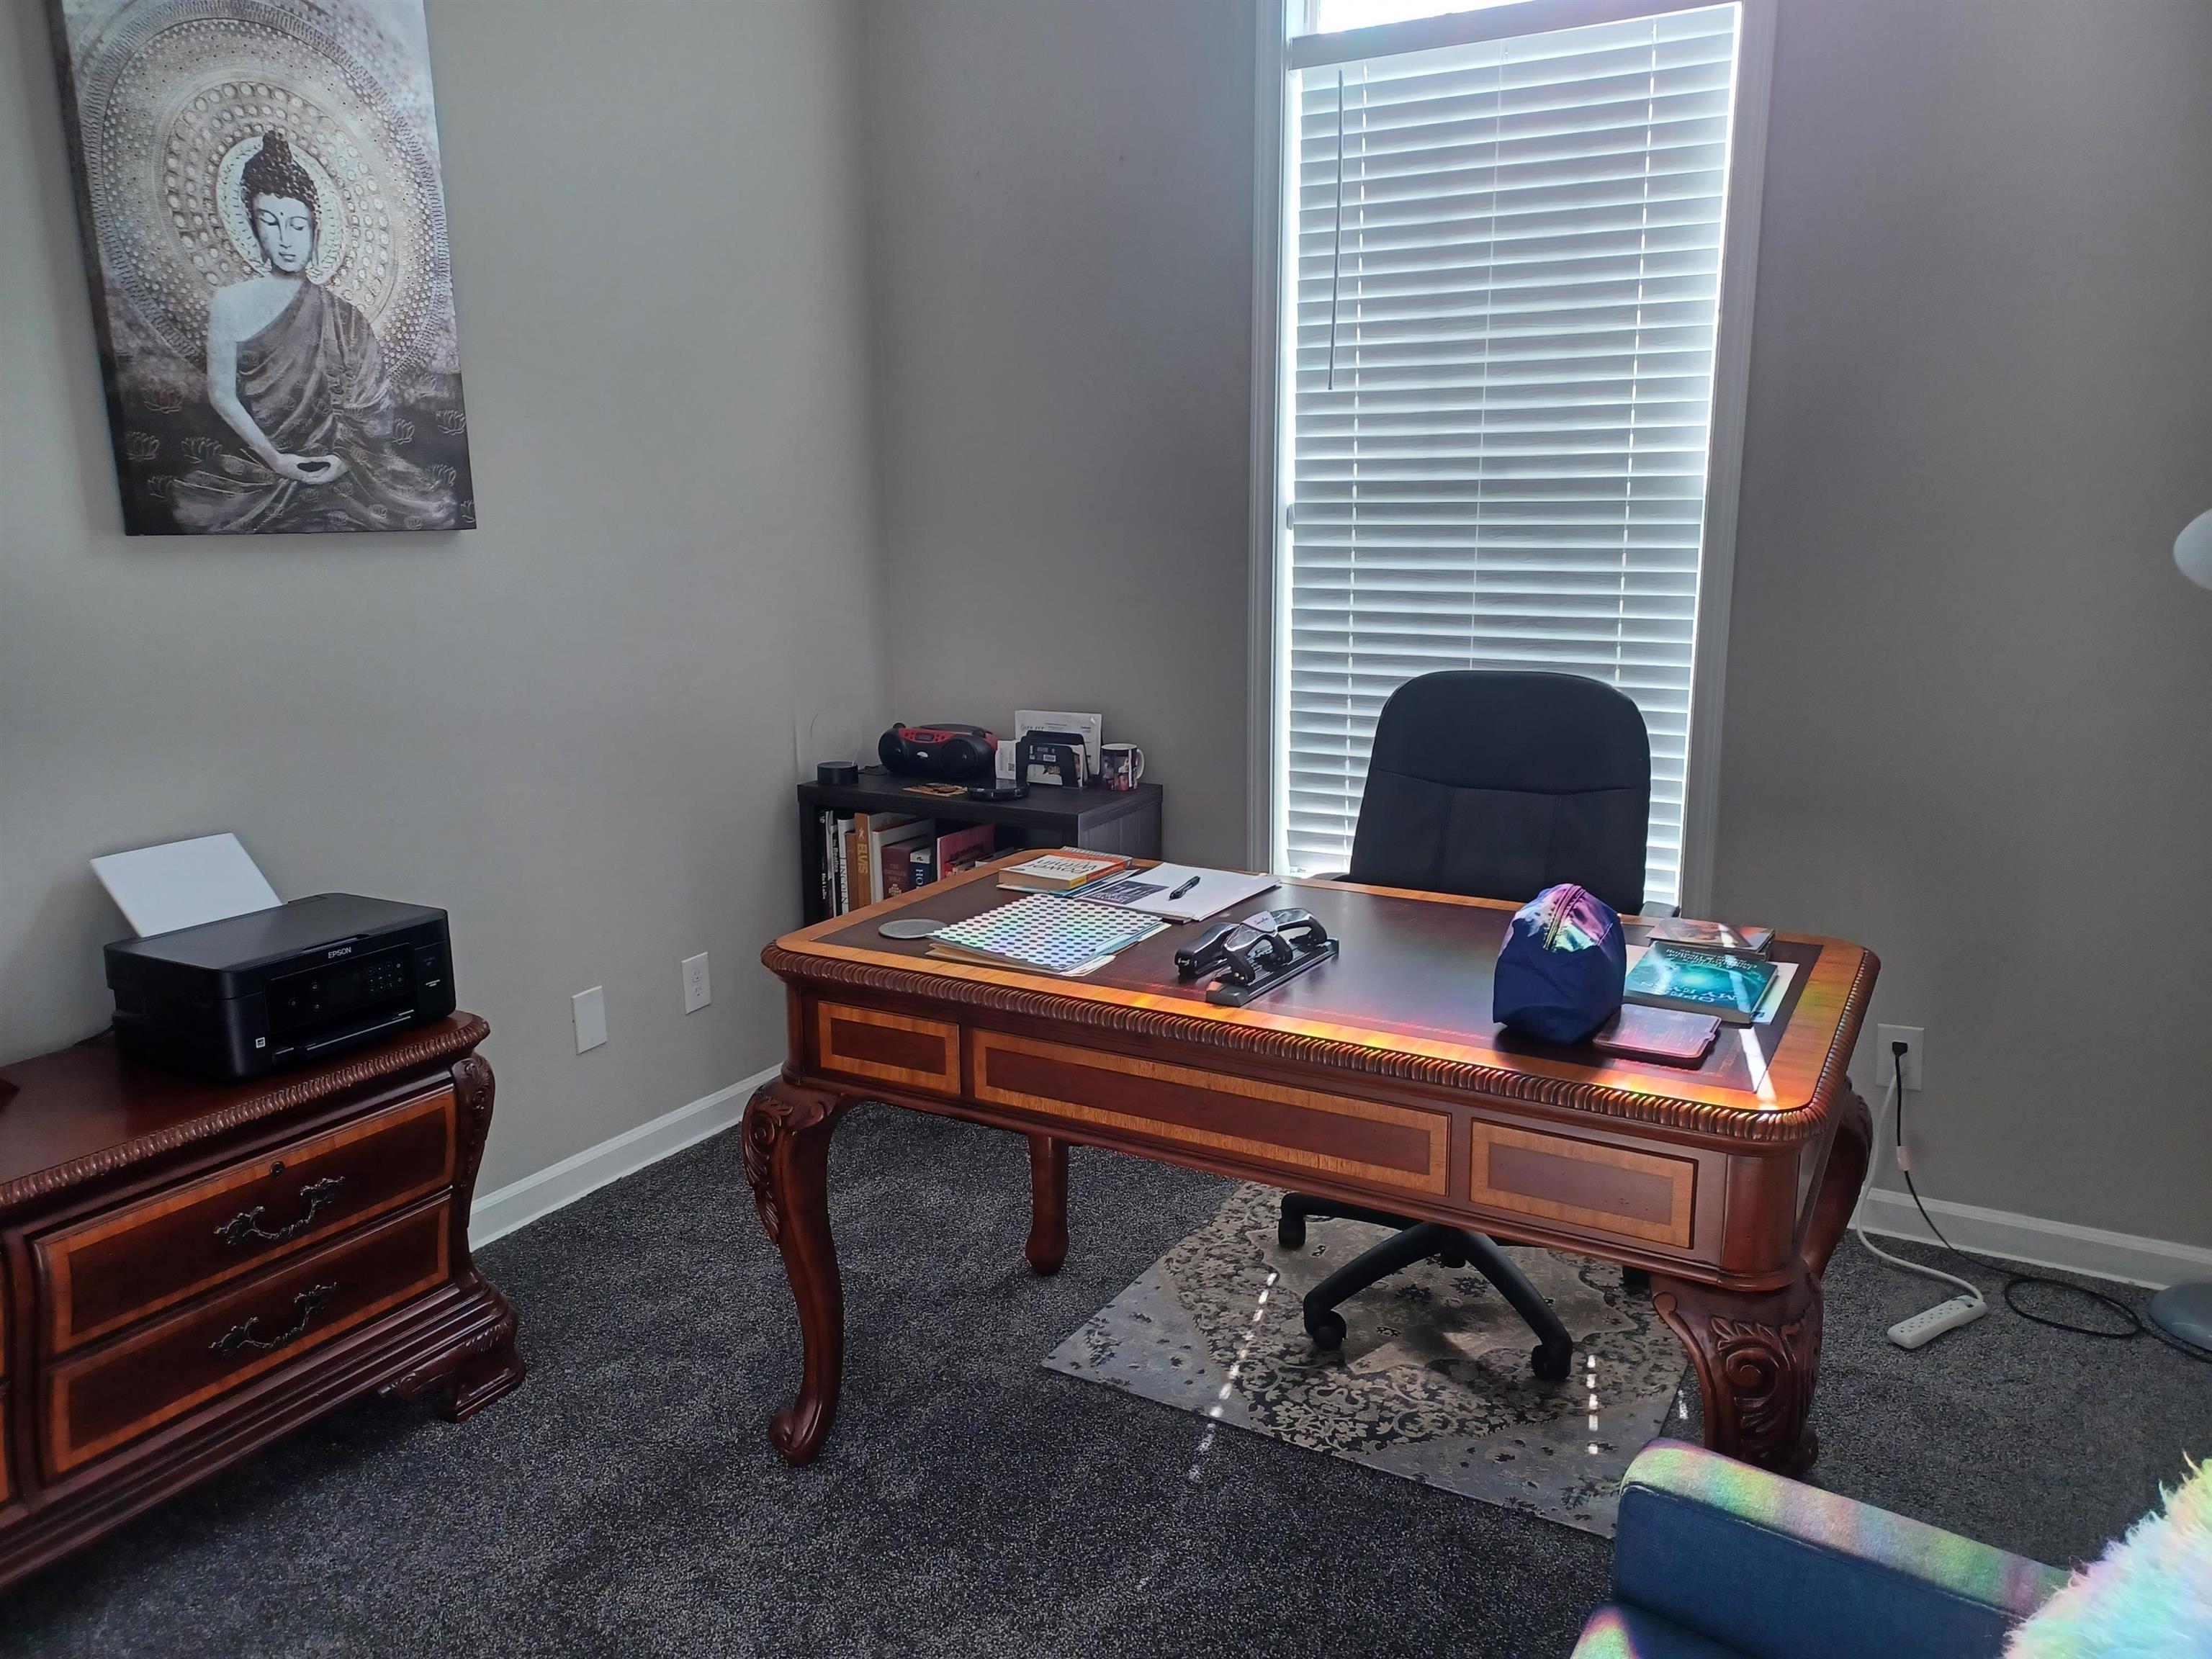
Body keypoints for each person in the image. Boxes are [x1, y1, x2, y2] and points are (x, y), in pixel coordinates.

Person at [170, 130, 457, 533]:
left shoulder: (345, 316)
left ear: (316, 230)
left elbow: (371, 406)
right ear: (252, 227)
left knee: (434, 509)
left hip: (349, 462)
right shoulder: (229, 302)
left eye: (297, 225)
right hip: (265, 460)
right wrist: (276, 459)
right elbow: (221, 393)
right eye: (270, 222)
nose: (285, 239)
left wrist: (343, 457)